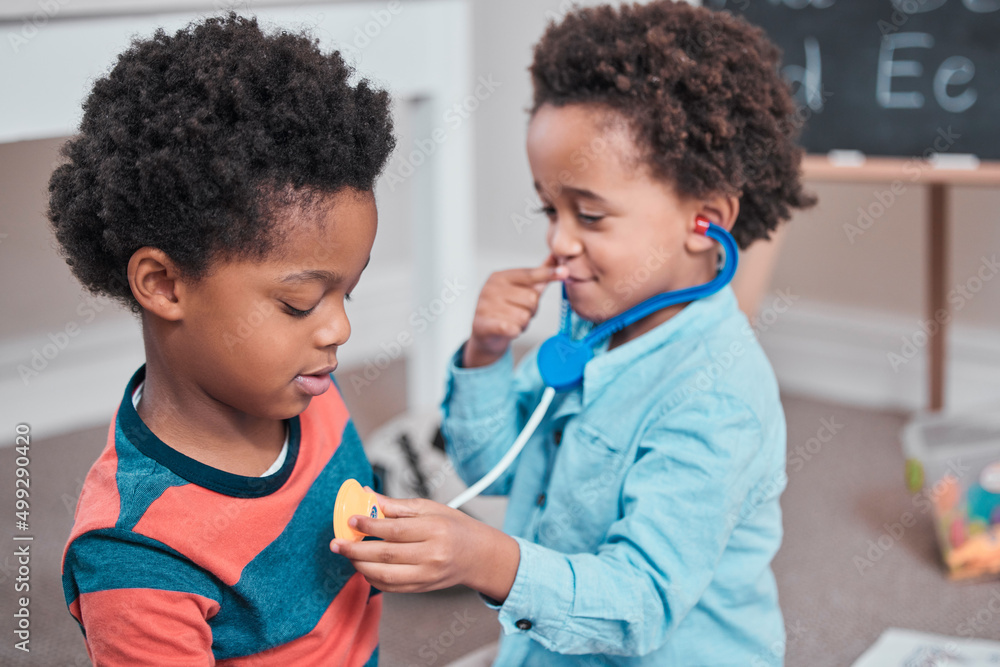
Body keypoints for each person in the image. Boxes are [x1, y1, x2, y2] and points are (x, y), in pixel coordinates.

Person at [332, 2, 815, 664]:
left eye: (589, 213)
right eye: (549, 207)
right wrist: (486, 358)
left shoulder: (717, 398)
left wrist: (487, 558)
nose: (558, 240)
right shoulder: (589, 336)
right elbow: (490, 465)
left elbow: (640, 604)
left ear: (705, 223)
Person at [52, 14, 395, 665]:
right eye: (299, 302)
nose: (339, 328)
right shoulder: (138, 556)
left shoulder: (303, 382)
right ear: (165, 284)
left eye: (347, 292)